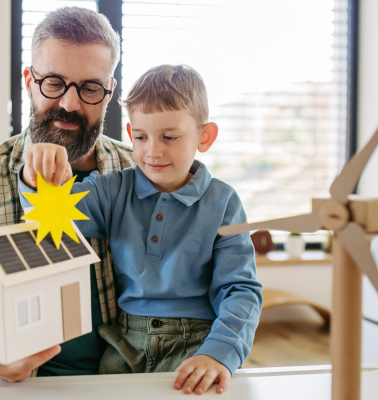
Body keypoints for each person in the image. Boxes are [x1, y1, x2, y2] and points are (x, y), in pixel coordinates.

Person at [19, 65, 263, 395]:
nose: (153, 152)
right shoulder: (111, 189)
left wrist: (219, 353)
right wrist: (35, 174)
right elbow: (48, 219)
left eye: (170, 137)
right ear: (131, 133)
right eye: (142, 137)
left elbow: (240, 289)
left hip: (197, 345)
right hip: (123, 346)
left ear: (204, 137)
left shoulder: (223, 202)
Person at [0, 7, 135, 381]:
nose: (70, 104)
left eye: (90, 87)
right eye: (54, 83)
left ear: (109, 93)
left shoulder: (136, 174)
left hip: (117, 383)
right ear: (29, 80)